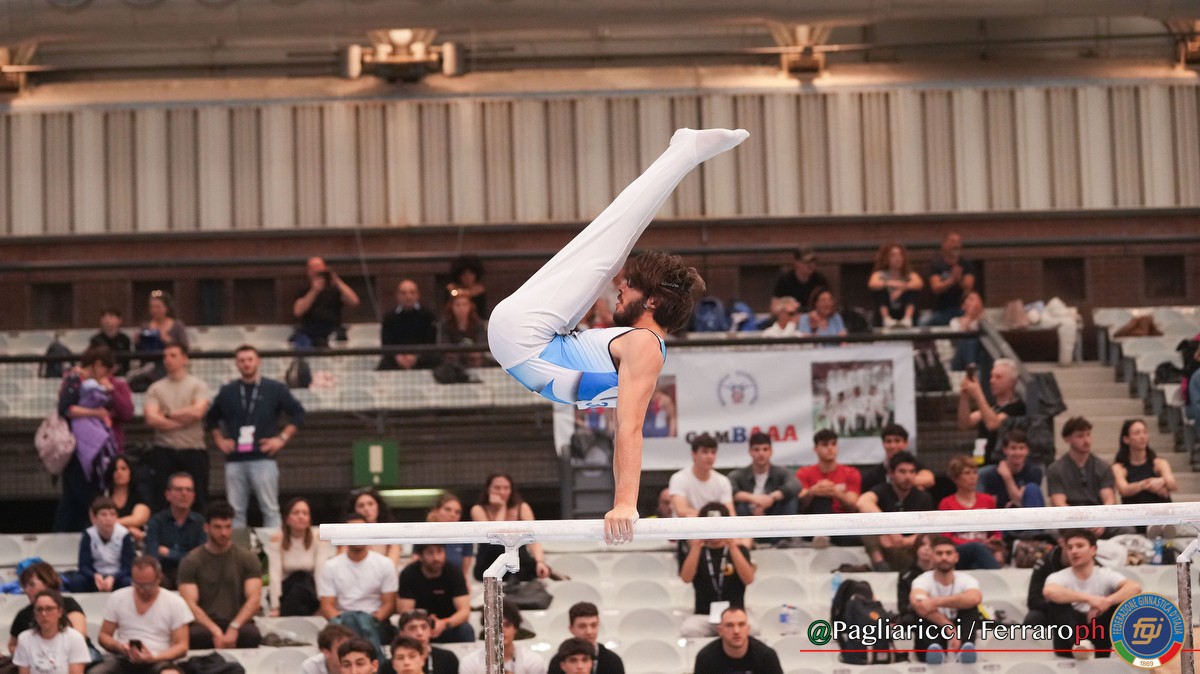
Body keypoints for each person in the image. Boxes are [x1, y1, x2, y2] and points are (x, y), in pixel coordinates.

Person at [488, 128, 749, 544]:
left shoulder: (644, 346)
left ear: (652, 302)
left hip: (525, 336)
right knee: (611, 244)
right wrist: (624, 500)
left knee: (611, 243)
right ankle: (684, 152)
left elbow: (628, 428)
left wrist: (625, 502)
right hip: (527, 339)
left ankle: (684, 151)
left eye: (630, 286)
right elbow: (626, 428)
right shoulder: (643, 346)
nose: (619, 288)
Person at [205, 344, 306, 528]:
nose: (246, 364)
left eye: (250, 359)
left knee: (270, 508)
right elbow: (211, 418)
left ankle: (274, 545)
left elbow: (298, 413)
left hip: (263, 457)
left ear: (258, 361)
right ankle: (237, 546)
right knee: (235, 510)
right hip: (235, 459)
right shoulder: (228, 391)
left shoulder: (274, 388)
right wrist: (219, 439)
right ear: (236, 364)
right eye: (242, 360)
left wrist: (281, 439)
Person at [54, 345, 132, 533]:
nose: (108, 374)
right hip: (78, 450)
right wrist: (95, 413)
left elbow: (125, 412)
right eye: (106, 369)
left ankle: (90, 532)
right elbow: (65, 408)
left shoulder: (109, 386)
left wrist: (111, 391)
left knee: (92, 496)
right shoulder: (75, 379)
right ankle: (64, 534)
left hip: (100, 450)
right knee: (76, 496)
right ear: (97, 365)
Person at [1042, 529, 1141, 658]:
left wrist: (1106, 602)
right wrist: (1090, 599)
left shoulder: (1105, 574)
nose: (1074, 551)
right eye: (1070, 548)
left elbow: (1135, 587)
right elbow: (1049, 591)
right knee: (1057, 604)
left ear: (1093, 550)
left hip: (1098, 631)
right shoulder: (1058, 576)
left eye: (1080, 546)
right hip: (1070, 636)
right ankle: (1080, 645)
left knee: (1121, 602)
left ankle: (1118, 648)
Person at [177, 501, 263, 649]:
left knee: (251, 635)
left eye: (228, 527)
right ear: (206, 528)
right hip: (204, 624)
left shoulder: (247, 558)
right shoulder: (191, 561)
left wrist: (234, 627)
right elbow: (189, 604)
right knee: (195, 636)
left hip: (238, 621)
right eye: (217, 527)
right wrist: (215, 631)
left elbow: (254, 600)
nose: (224, 533)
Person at [92, 556, 193, 674]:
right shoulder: (118, 597)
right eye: (137, 584)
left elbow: (182, 646)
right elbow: (104, 635)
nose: (141, 590)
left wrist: (154, 657)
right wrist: (119, 647)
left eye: (147, 585)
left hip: (159, 659)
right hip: (123, 658)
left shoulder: (175, 602)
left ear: (158, 579)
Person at [142, 343, 211, 512]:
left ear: (184, 359)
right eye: (165, 356)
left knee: (198, 499)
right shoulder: (156, 388)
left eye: (173, 355)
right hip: (164, 450)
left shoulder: (198, 385)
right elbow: (151, 418)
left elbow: (198, 412)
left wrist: (167, 414)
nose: (168, 359)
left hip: (193, 449)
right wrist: (184, 420)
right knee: (161, 500)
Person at [317, 513, 398, 657]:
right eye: (352, 531)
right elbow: (327, 606)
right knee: (348, 625)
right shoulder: (331, 566)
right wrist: (346, 623)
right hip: (343, 621)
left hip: (375, 621)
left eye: (361, 530)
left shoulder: (385, 564)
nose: (357, 535)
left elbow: (389, 604)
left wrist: (370, 620)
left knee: (365, 624)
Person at [678, 503, 754, 638]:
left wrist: (732, 544)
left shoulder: (739, 550)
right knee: (689, 629)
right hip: (704, 615)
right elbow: (686, 578)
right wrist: (696, 545)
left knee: (753, 630)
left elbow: (748, 579)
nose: (714, 531)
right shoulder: (696, 552)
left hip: (735, 614)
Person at [908, 536, 981, 664]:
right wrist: (948, 627)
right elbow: (917, 602)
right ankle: (933, 650)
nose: (944, 557)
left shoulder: (967, 579)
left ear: (956, 557)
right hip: (934, 631)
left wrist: (934, 602)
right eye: (939, 553)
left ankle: (965, 649)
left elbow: (975, 598)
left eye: (948, 553)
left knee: (970, 608)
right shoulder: (922, 580)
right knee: (921, 612)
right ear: (932, 557)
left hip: (961, 628)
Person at [857, 452, 934, 572]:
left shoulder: (923, 497)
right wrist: (888, 529)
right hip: (885, 548)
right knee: (866, 522)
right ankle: (880, 564)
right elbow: (862, 502)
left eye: (912, 472)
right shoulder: (882, 490)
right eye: (902, 472)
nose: (908, 477)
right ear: (891, 474)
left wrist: (904, 541)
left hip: (911, 550)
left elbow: (928, 530)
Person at [1046, 417, 1121, 539]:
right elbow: (1059, 503)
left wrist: (1102, 520)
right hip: (1070, 520)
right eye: (1080, 436)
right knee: (1051, 533)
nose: (1086, 440)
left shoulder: (1103, 467)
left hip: (1098, 518)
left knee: (1126, 529)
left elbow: (1109, 498)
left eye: (1088, 435)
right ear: (1067, 439)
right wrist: (1080, 523)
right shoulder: (1056, 469)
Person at [471, 473, 551, 581]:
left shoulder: (522, 508)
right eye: (497, 488)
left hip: (518, 560)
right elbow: (495, 536)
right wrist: (501, 508)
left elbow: (533, 539)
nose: (502, 492)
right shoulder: (478, 509)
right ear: (488, 489)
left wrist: (540, 561)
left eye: (506, 488)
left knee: (534, 567)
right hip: (489, 560)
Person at [7, 563, 91, 657]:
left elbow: (80, 637)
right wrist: (28, 655)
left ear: (47, 583)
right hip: (37, 658)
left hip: (76, 654)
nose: (27, 590)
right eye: (24, 586)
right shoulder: (24, 614)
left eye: (31, 584)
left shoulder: (68, 604)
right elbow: (12, 645)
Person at [267, 497, 331, 617]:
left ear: (309, 519)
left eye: (305, 513)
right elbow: (275, 574)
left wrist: (323, 605)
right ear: (287, 519)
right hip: (286, 590)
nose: (301, 516)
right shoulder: (277, 539)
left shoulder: (318, 538)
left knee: (303, 583)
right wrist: (275, 607)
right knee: (297, 587)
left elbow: (320, 573)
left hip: (310, 590)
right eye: (296, 513)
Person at [937, 456, 1002, 570]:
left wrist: (995, 542)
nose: (972, 477)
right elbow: (946, 538)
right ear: (956, 478)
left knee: (977, 564)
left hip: (985, 549)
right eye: (967, 473)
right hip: (958, 551)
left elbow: (996, 531)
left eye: (975, 472)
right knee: (976, 548)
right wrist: (977, 543)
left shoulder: (988, 500)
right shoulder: (946, 503)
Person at [397, 545, 472, 643]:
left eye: (439, 552)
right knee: (402, 631)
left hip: (448, 623)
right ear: (421, 556)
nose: (436, 558)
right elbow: (406, 612)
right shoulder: (408, 574)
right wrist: (424, 624)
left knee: (465, 630)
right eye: (430, 553)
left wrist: (444, 623)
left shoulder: (454, 572)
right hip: (419, 624)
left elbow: (464, 611)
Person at [144, 472, 206, 589]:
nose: (184, 493)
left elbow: (201, 558)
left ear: (193, 496)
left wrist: (168, 553)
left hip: (192, 575)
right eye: (178, 489)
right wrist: (188, 555)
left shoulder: (201, 523)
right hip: (163, 575)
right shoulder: (156, 522)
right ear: (168, 495)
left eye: (188, 490)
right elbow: (153, 555)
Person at [957, 358, 1025, 464]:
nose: (992, 381)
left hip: (998, 462)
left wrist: (977, 392)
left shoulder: (1017, 407)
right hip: (980, 458)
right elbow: (965, 424)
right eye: (992, 376)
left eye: (998, 377)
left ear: (1012, 382)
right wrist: (964, 396)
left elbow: (993, 424)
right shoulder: (992, 407)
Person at [11, 590, 91, 674]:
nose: (44, 614)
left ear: (59, 612)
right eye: (39, 609)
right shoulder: (25, 639)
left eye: (49, 609)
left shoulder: (75, 638)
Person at [66, 496, 135, 593]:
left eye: (112, 514)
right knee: (77, 581)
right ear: (94, 518)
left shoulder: (124, 535)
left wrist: (113, 577)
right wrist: (95, 576)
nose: (108, 518)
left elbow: (127, 567)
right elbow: (83, 565)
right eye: (103, 514)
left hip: (118, 576)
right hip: (95, 576)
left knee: (128, 582)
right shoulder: (89, 534)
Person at [457, 600, 545, 674]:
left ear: (516, 629)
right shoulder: (470, 663)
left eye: (507, 625)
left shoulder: (533, 661)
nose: (501, 631)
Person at [728, 432, 800, 518]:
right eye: (756, 450)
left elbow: (795, 484)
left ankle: (788, 526)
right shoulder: (740, 474)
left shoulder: (780, 472)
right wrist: (752, 498)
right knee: (739, 504)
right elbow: (728, 488)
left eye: (765, 449)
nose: (761, 454)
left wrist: (771, 498)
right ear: (750, 452)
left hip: (774, 515)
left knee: (790, 500)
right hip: (746, 515)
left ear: (771, 451)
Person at [293, 256, 361, 347]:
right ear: (308, 272)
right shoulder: (304, 292)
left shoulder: (334, 291)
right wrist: (314, 291)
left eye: (319, 268)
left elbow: (354, 301)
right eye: (313, 268)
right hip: (310, 331)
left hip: (332, 330)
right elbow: (298, 312)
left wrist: (337, 281)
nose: (316, 271)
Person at [692, 607, 782, 674]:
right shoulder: (706, 658)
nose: (736, 631)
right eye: (729, 625)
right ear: (720, 630)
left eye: (741, 624)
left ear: (748, 629)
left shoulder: (766, 656)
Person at [1112, 418, 1177, 508]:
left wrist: (1162, 481)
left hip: (1160, 511)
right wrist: (1146, 484)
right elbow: (1124, 490)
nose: (1142, 437)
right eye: (1137, 433)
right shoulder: (1119, 467)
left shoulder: (1159, 463)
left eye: (1145, 432)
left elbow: (1173, 484)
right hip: (1134, 512)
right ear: (1126, 439)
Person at [546, 603, 625, 674]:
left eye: (594, 625)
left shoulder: (613, 660)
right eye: (582, 626)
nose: (589, 632)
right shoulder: (557, 661)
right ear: (571, 629)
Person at [669, 433, 736, 518]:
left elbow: (731, 514)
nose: (710, 456)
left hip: (715, 525)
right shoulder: (679, 479)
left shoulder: (723, 481)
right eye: (705, 452)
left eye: (713, 452)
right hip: (686, 525)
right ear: (693, 454)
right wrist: (711, 515)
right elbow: (681, 511)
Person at [796, 430, 860, 517]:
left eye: (833, 444)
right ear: (815, 449)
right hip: (815, 518)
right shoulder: (803, 473)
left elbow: (853, 507)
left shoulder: (851, 473)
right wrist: (812, 492)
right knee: (820, 498)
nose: (830, 448)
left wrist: (836, 493)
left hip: (844, 519)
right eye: (825, 444)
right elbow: (800, 505)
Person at [379, 279, 439, 371]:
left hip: (422, 358)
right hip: (396, 360)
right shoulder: (389, 318)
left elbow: (431, 343)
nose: (408, 296)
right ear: (397, 295)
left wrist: (415, 357)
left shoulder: (428, 316)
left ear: (418, 295)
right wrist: (398, 357)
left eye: (412, 293)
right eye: (403, 293)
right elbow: (386, 345)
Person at [857, 424, 935, 494]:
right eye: (888, 441)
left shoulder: (914, 465)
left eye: (897, 441)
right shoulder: (873, 475)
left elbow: (929, 479)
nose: (893, 446)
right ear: (883, 444)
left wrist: (900, 482)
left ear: (906, 443)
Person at [132, 290, 190, 384]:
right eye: (152, 307)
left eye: (158, 307)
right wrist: (137, 342)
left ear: (166, 308)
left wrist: (167, 340)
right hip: (149, 367)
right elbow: (139, 352)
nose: (154, 310)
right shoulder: (145, 326)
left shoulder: (177, 326)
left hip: (169, 367)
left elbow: (185, 347)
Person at [978, 429, 1045, 509]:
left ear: (1027, 450)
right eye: (1013, 448)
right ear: (1005, 450)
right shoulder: (992, 474)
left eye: (1021, 448)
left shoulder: (1034, 471)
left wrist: (1007, 477)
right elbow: (991, 503)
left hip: (1026, 513)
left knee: (1032, 488)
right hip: (1002, 513)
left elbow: (1019, 501)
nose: (1017, 453)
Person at [923, 232, 976, 327]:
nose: (956, 245)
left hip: (961, 309)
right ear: (943, 245)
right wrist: (951, 280)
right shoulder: (937, 264)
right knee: (924, 323)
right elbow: (935, 288)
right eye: (952, 242)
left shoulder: (966, 264)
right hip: (941, 311)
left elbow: (969, 288)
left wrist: (959, 280)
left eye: (958, 242)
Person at [868, 242, 923, 328]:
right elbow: (872, 284)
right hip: (888, 308)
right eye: (893, 256)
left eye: (900, 255)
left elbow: (919, 283)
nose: (897, 259)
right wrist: (890, 283)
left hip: (902, 309)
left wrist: (902, 289)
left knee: (912, 291)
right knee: (880, 291)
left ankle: (907, 319)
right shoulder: (879, 274)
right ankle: (886, 319)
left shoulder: (909, 274)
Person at [345, 487, 401, 567]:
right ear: (354, 510)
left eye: (370, 504)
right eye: (361, 506)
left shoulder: (391, 532)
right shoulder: (347, 533)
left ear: (378, 506)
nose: (366, 509)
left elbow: (392, 565)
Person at [426, 494, 473, 587]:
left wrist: (464, 584)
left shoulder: (465, 537)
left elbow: (464, 573)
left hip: (453, 585)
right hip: (426, 584)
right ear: (436, 511)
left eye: (457, 512)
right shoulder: (424, 534)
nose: (452, 515)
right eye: (447, 509)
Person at [1025, 535, 1071, 630]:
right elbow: (1033, 600)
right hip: (1054, 609)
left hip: (1083, 610)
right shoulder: (1047, 564)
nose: (1075, 551)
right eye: (1070, 546)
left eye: (1080, 546)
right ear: (1061, 542)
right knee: (1034, 618)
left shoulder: (1096, 568)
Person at [103, 456, 151, 545]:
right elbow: (97, 521)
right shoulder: (104, 496)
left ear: (130, 472)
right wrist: (129, 529)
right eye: (115, 469)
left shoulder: (139, 496)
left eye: (123, 469)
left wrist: (110, 524)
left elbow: (138, 519)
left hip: (135, 543)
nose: (119, 472)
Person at [438, 292, 492, 368]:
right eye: (457, 305)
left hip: (475, 360)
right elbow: (445, 346)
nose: (461, 308)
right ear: (451, 307)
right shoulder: (445, 325)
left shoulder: (478, 324)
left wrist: (474, 352)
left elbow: (482, 343)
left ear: (470, 306)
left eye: (464, 304)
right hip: (454, 362)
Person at [771, 246, 829, 313]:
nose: (811, 265)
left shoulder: (820, 280)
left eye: (813, 262)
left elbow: (828, 304)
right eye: (807, 262)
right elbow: (774, 307)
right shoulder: (785, 280)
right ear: (796, 263)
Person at [895, 534, 936, 626]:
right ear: (916, 548)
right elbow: (902, 606)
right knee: (908, 619)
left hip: (938, 612)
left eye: (931, 546)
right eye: (922, 545)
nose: (926, 549)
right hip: (914, 614)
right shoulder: (906, 574)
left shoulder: (941, 572)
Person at [89, 309, 132, 375]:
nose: (107, 320)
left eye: (111, 316)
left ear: (119, 320)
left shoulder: (125, 339)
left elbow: (127, 362)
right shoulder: (95, 340)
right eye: (104, 317)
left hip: (122, 374)